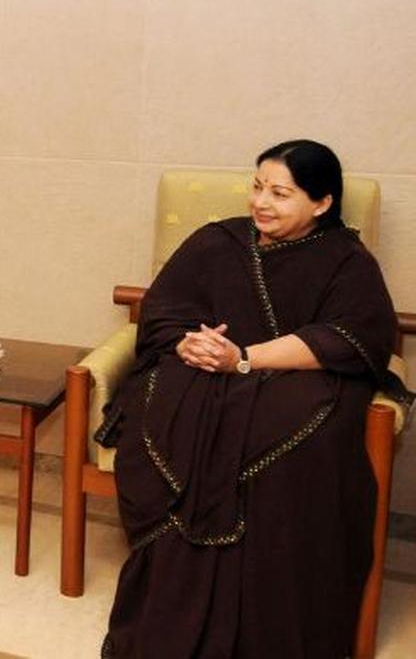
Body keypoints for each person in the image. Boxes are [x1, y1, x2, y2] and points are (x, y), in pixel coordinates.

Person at [97, 139, 414, 657]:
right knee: (170, 403)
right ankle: (181, 593)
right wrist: (187, 341)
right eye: (258, 187)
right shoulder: (215, 242)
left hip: (291, 379)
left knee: (296, 439)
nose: (262, 202)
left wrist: (242, 358)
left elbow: (351, 338)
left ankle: (264, 615)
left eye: (281, 193)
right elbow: (162, 311)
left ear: (322, 203)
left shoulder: (347, 261)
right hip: (202, 377)